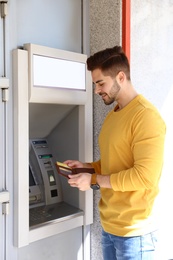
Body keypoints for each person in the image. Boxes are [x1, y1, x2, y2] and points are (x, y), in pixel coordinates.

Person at [64, 46, 166, 260]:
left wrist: (92, 179)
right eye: (95, 84)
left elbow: (144, 177)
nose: (96, 90)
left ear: (121, 77)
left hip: (135, 233)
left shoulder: (145, 117)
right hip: (110, 227)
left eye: (101, 83)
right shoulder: (114, 115)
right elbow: (113, 163)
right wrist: (86, 167)